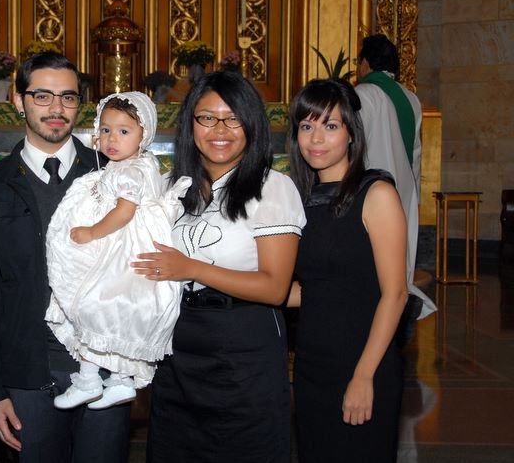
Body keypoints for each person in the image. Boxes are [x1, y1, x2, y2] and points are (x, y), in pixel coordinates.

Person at [0, 53, 132, 462]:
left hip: (105, 368)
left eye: (68, 97)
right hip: (26, 372)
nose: (56, 108)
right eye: (42, 96)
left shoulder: (113, 175)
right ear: (18, 101)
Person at [132, 71, 306, 461]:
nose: (220, 130)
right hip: (176, 345)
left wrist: (192, 268)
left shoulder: (272, 188)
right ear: (190, 124)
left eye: (233, 118)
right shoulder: (169, 187)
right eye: (207, 118)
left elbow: (275, 287)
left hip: (243, 343)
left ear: (252, 125)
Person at [45, 91, 191, 410]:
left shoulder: (129, 171)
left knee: (93, 306)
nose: (112, 139)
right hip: (131, 246)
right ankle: (120, 380)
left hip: (123, 249)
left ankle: (89, 380)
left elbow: (124, 212)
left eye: (124, 131)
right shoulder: (139, 164)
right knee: (117, 317)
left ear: (143, 136)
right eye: (106, 129)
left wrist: (91, 232)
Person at [288, 78, 408, 462]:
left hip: (362, 363)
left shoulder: (376, 194)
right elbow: (312, 289)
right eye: (307, 126)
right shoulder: (299, 203)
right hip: (311, 366)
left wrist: (364, 375)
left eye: (330, 125)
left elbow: (396, 293)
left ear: (351, 133)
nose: (316, 138)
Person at [355, 33, 436, 320]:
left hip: (371, 185)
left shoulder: (363, 94)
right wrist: (412, 192)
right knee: (396, 256)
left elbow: (354, 145)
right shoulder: (410, 98)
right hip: (402, 183)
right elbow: (415, 151)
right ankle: (396, 299)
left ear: (366, 63)